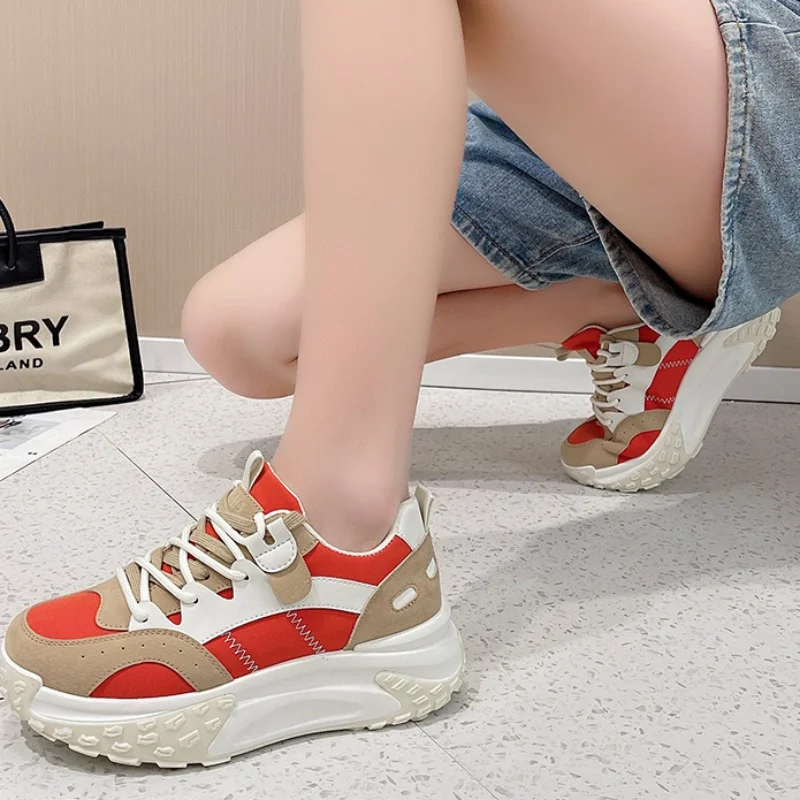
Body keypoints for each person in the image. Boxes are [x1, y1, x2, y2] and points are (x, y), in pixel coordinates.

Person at [1, 0, 797, 768]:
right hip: (564, 122)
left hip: (749, 74)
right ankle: (629, 308)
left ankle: (340, 532)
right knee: (235, 333)